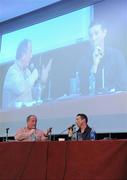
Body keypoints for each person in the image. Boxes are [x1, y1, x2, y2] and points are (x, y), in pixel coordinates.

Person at [78, 22, 127, 95]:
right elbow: (84, 89)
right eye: (90, 36)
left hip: (114, 100)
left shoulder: (116, 55)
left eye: (96, 33)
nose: (93, 38)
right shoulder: (84, 61)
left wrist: (107, 90)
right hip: (93, 103)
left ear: (104, 33)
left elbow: (123, 83)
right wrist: (95, 65)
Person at [2, 39, 52, 109]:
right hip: (12, 117)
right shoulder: (12, 71)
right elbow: (20, 89)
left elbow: (33, 96)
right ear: (23, 55)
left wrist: (42, 82)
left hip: (26, 114)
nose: (31, 56)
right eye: (30, 52)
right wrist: (33, 76)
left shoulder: (27, 72)